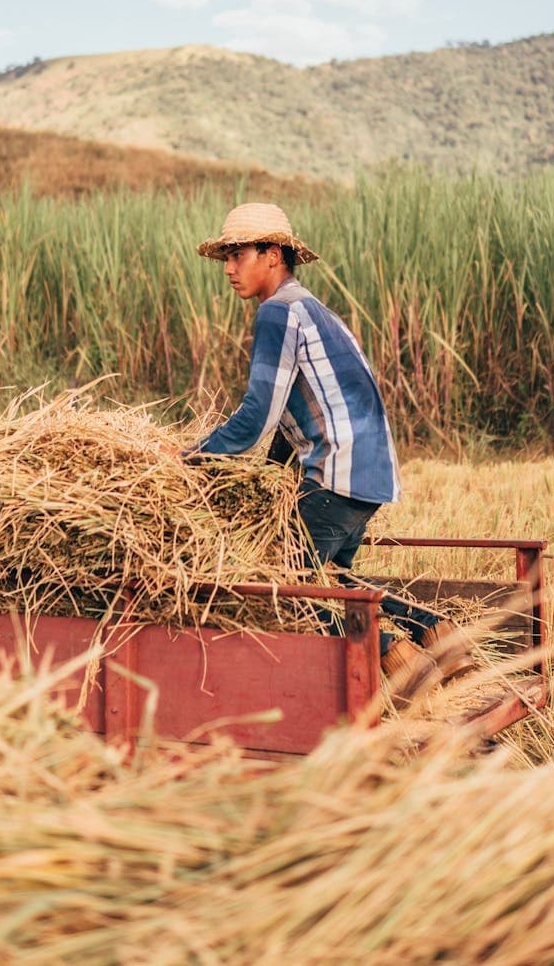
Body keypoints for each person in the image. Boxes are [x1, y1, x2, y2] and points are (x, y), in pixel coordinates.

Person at [186, 201, 467, 705]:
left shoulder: (277, 313)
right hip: (371, 477)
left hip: (335, 476)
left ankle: (399, 660)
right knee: (335, 582)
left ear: (272, 254)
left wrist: (190, 460)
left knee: (281, 589)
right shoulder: (315, 310)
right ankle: (437, 632)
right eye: (224, 257)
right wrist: (271, 483)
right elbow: (294, 417)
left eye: (237, 254)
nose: (228, 268)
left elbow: (256, 417)